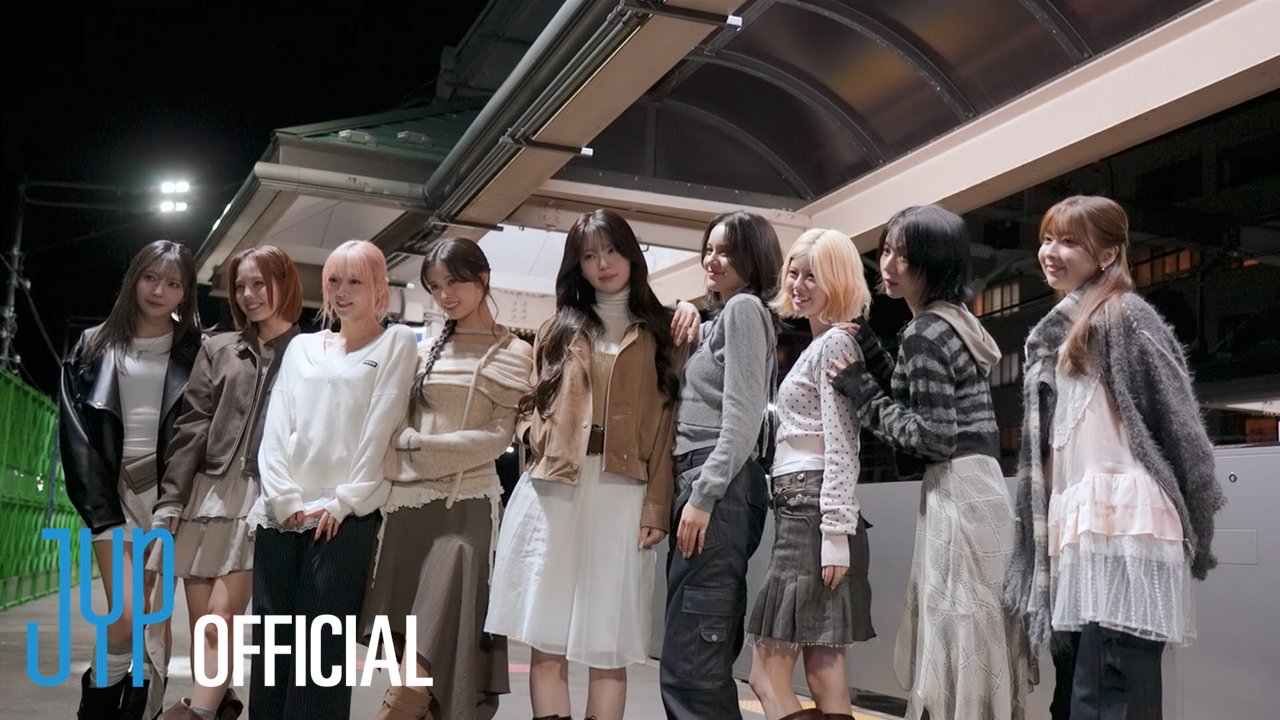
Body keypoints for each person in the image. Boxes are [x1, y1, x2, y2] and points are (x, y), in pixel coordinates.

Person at [1003, 196, 1225, 719]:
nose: (1050, 252)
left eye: (1069, 241)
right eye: (1047, 239)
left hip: (1124, 522)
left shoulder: (1125, 315)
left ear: (1107, 254)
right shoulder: (1056, 334)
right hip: (1081, 524)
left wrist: (1198, 523)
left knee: (1110, 690)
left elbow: (1183, 429)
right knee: (1081, 690)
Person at [486, 209, 694, 720]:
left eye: (612, 250)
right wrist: (537, 435)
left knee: (607, 648)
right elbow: (531, 403)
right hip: (555, 490)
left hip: (622, 493)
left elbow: (667, 427)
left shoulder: (663, 331)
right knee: (546, 642)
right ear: (576, 266)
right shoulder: (556, 329)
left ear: (631, 254)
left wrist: (656, 506)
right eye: (589, 256)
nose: (603, 264)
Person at [827, 205, 1030, 720]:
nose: (888, 264)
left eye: (904, 256)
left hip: (957, 493)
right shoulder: (955, 321)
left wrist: (860, 391)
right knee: (982, 637)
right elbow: (920, 395)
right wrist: (872, 352)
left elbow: (934, 436)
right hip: (984, 486)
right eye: (886, 250)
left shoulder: (924, 332)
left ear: (933, 264)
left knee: (957, 636)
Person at [359, 237, 533, 720]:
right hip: (405, 509)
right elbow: (389, 428)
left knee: (436, 642)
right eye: (435, 286)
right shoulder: (421, 349)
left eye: (454, 282)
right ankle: (406, 704)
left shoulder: (517, 353)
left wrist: (415, 449)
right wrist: (407, 454)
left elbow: (495, 438)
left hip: (466, 509)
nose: (444, 295)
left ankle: (399, 708)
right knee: (409, 643)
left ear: (483, 279)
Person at [249, 239, 418, 720]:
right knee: (272, 651)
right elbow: (276, 426)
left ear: (379, 286)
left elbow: (380, 429)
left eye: (355, 281)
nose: (342, 292)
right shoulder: (302, 347)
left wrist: (343, 503)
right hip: (282, 514)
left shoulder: (396, 342)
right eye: (334, 281)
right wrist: (282, 499)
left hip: (345, 518)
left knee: (320, 657)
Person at [146, 245, 302, 720]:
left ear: (284, 284)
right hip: (207, 494)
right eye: (240, 286)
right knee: (204, 627)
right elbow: (192, 426)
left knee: (219, 619)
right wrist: (171, 499)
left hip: (263, 495)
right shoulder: (218, 348)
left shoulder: (311, 352)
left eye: (259, 283)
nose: (249, 295)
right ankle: (217, 706)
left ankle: (195, 712)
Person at [59, 239, 202, 720]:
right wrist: (101, 512)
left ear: (186, 292)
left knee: (149, 622)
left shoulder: (195, 351)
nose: (159, 291)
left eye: (173, 283)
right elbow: (75, 436)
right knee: (124, 615)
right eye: (150, 278)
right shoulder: (93, 344)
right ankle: (96, 708)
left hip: (168, 500)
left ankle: (134, 710)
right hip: (114, 495)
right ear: (133, 278)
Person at [747, 229, 875, 720]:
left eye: (812, 276)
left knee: (767, 676)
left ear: (837, 279)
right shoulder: (824, 342)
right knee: (824, 669)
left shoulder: (835, 344)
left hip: (811, 506)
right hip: (806, 504)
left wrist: (836, 531)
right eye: (793, 273)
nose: (798, 285)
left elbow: (843, 439)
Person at [661, 210, 783, 720]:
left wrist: (704, 494)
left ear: (753, 258)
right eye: (709, 249)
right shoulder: (723, 318)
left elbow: (743, 418)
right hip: (710, 481)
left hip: (717, 483)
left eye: (727, 251)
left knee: (693, 667)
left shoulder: (745, 310)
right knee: (694, 657)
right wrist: (684, 311)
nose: (713, 259)